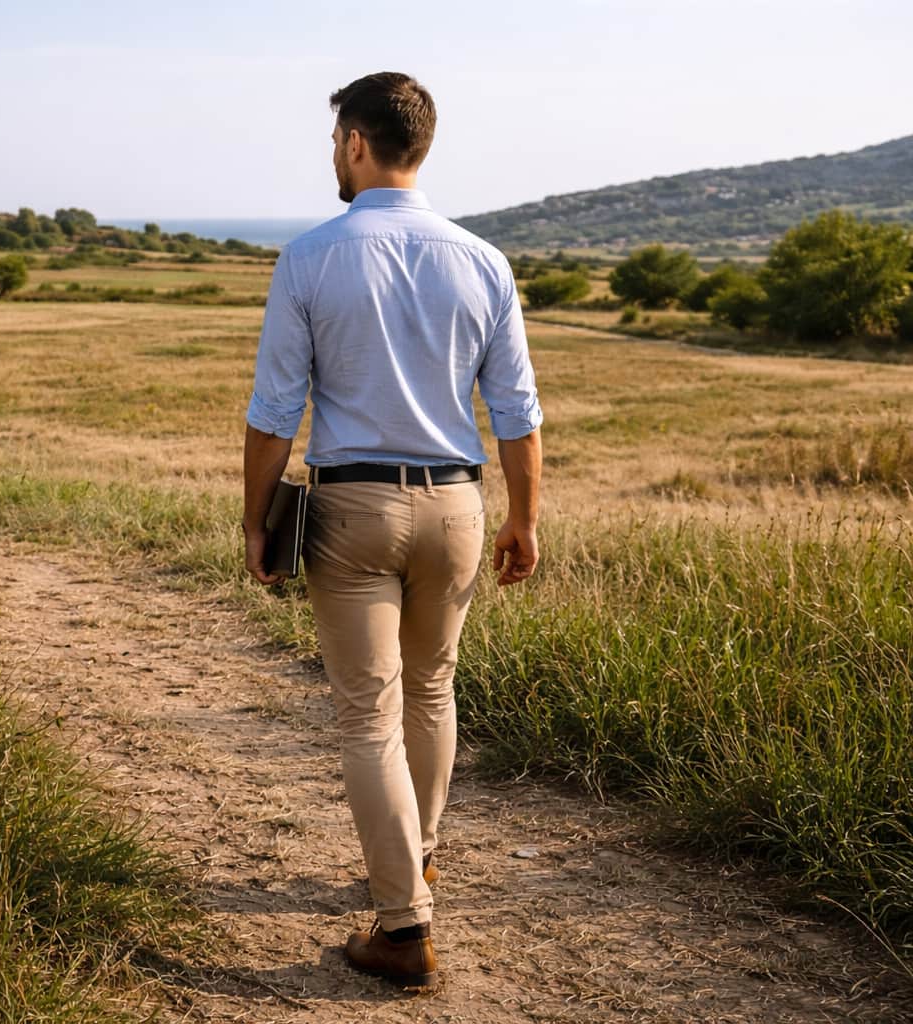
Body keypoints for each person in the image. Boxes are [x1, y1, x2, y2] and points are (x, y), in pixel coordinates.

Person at [241, 72, 543, 989]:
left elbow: (274, 413)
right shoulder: (483, 260)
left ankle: (403, 926)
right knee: (433, 691)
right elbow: (518, 413)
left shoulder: (310, 258)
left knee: (368, 711)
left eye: (338, 139)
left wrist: (255, 520)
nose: (334, 153)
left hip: (351, 507)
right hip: (456, 504)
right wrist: (524, 518)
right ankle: (422, 857)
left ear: (359, 144)